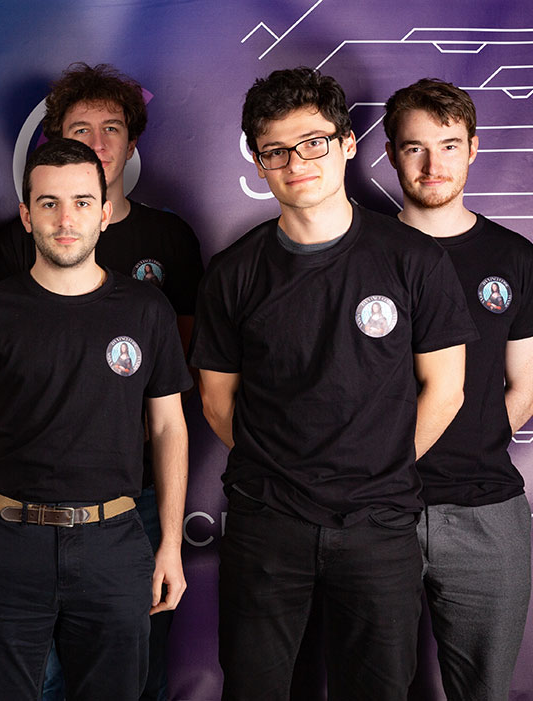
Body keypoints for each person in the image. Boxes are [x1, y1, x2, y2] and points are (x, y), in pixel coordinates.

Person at [191, 67, 478, 700]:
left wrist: (376, 467)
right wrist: (288, 473)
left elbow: (446, 388)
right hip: (267, 523)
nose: (297, 163)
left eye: (313, 142)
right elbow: (216, 401)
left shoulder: (413, 259)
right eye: (276, 151)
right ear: (259, 163)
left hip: (379, 524)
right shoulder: (234, 273)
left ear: (347, 144)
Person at [0, 138, 191, 701]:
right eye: (48, 203)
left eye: (81, 202)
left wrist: (170, 543)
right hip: (3, 542)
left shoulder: (146, 311)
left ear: (105, 212)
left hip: (113, 542)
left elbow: (170, 428)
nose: (65, 219)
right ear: (26, 216)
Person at [0, 61, 204, 701]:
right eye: (81, 129)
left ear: (132, 143)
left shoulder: (168, 236)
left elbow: (175, 371)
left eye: (112, 128)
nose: (97, 141)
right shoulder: (11, 246)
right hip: (23, 508)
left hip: (131, 496)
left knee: (130, 669)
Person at [383, 78, 533, 701]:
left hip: (485, 510)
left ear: (474, 148)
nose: (433, 165)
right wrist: (382, 473)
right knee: (370, 684)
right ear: (390, 153)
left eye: (449, 145)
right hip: (378, 512)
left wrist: (471, 440)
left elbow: (527, 385)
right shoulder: (361, 253)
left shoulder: (514, 257)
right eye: (415, 148)